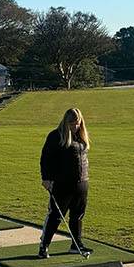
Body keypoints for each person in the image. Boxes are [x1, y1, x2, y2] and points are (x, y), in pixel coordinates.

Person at [37, 107, 91, 258]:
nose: (75, 126)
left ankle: (76, 244)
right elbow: (45, 159)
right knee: (55, 216)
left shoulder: (81, 137)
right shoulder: (56, 136)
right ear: (66, 122)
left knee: (77, 215)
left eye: (78, 123)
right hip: (62, 183)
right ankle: (44, 245)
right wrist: (46, 179)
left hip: (81, 183)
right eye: (72, 123)